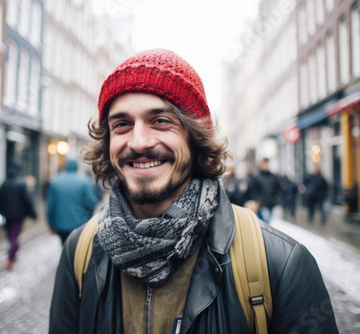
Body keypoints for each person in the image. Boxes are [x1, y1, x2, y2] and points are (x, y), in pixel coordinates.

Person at [49, 49, 338, 333]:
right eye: (122, 124)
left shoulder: (281, 264)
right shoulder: (80, 252)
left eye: (160, 121)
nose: (138, 142)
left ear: (195, 136)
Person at [46, 158, 100, 244]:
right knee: (78, 250)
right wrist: (88, 217)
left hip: (61, 225)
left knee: (65, 247)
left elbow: (51, 205)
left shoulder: (55, 182)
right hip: (80, 225)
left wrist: (51, 223)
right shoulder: (85, 181)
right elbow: (92, 202)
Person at [0, 164, 37, 270]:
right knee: (14, 237)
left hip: (7, 216)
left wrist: (1, 212)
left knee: (11, 237)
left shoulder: (4, 184)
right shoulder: (21, 184)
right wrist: (33, 214)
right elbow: (27, 201)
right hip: (18, 217)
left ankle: (12, 253)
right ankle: (11, 258)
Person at [251, 158, 281, 223]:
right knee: (266, 221)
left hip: (271, 204)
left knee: (267, 222)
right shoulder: (257, 177)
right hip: (261, 204)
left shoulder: (273, 177)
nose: (266, 165)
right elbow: (253, 190)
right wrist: (256, 201)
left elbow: (278, 189)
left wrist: (276, 199)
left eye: (267, 164)